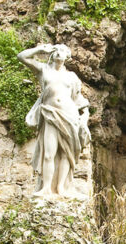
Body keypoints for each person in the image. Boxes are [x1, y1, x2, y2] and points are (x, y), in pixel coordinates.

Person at [18, 43, 90, 198]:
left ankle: (61, 188)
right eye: (56, 49)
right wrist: (39, 50)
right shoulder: (44, 70)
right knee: (49, 153)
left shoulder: (71, 77)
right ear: (51, 53)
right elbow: (22, 57)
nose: (59, 52)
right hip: (50, 114)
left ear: (67, 57)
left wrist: (85, 117)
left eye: (63, 50)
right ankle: (46, 188)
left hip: (69, 115)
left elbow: (79, 101)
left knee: (66, 154)